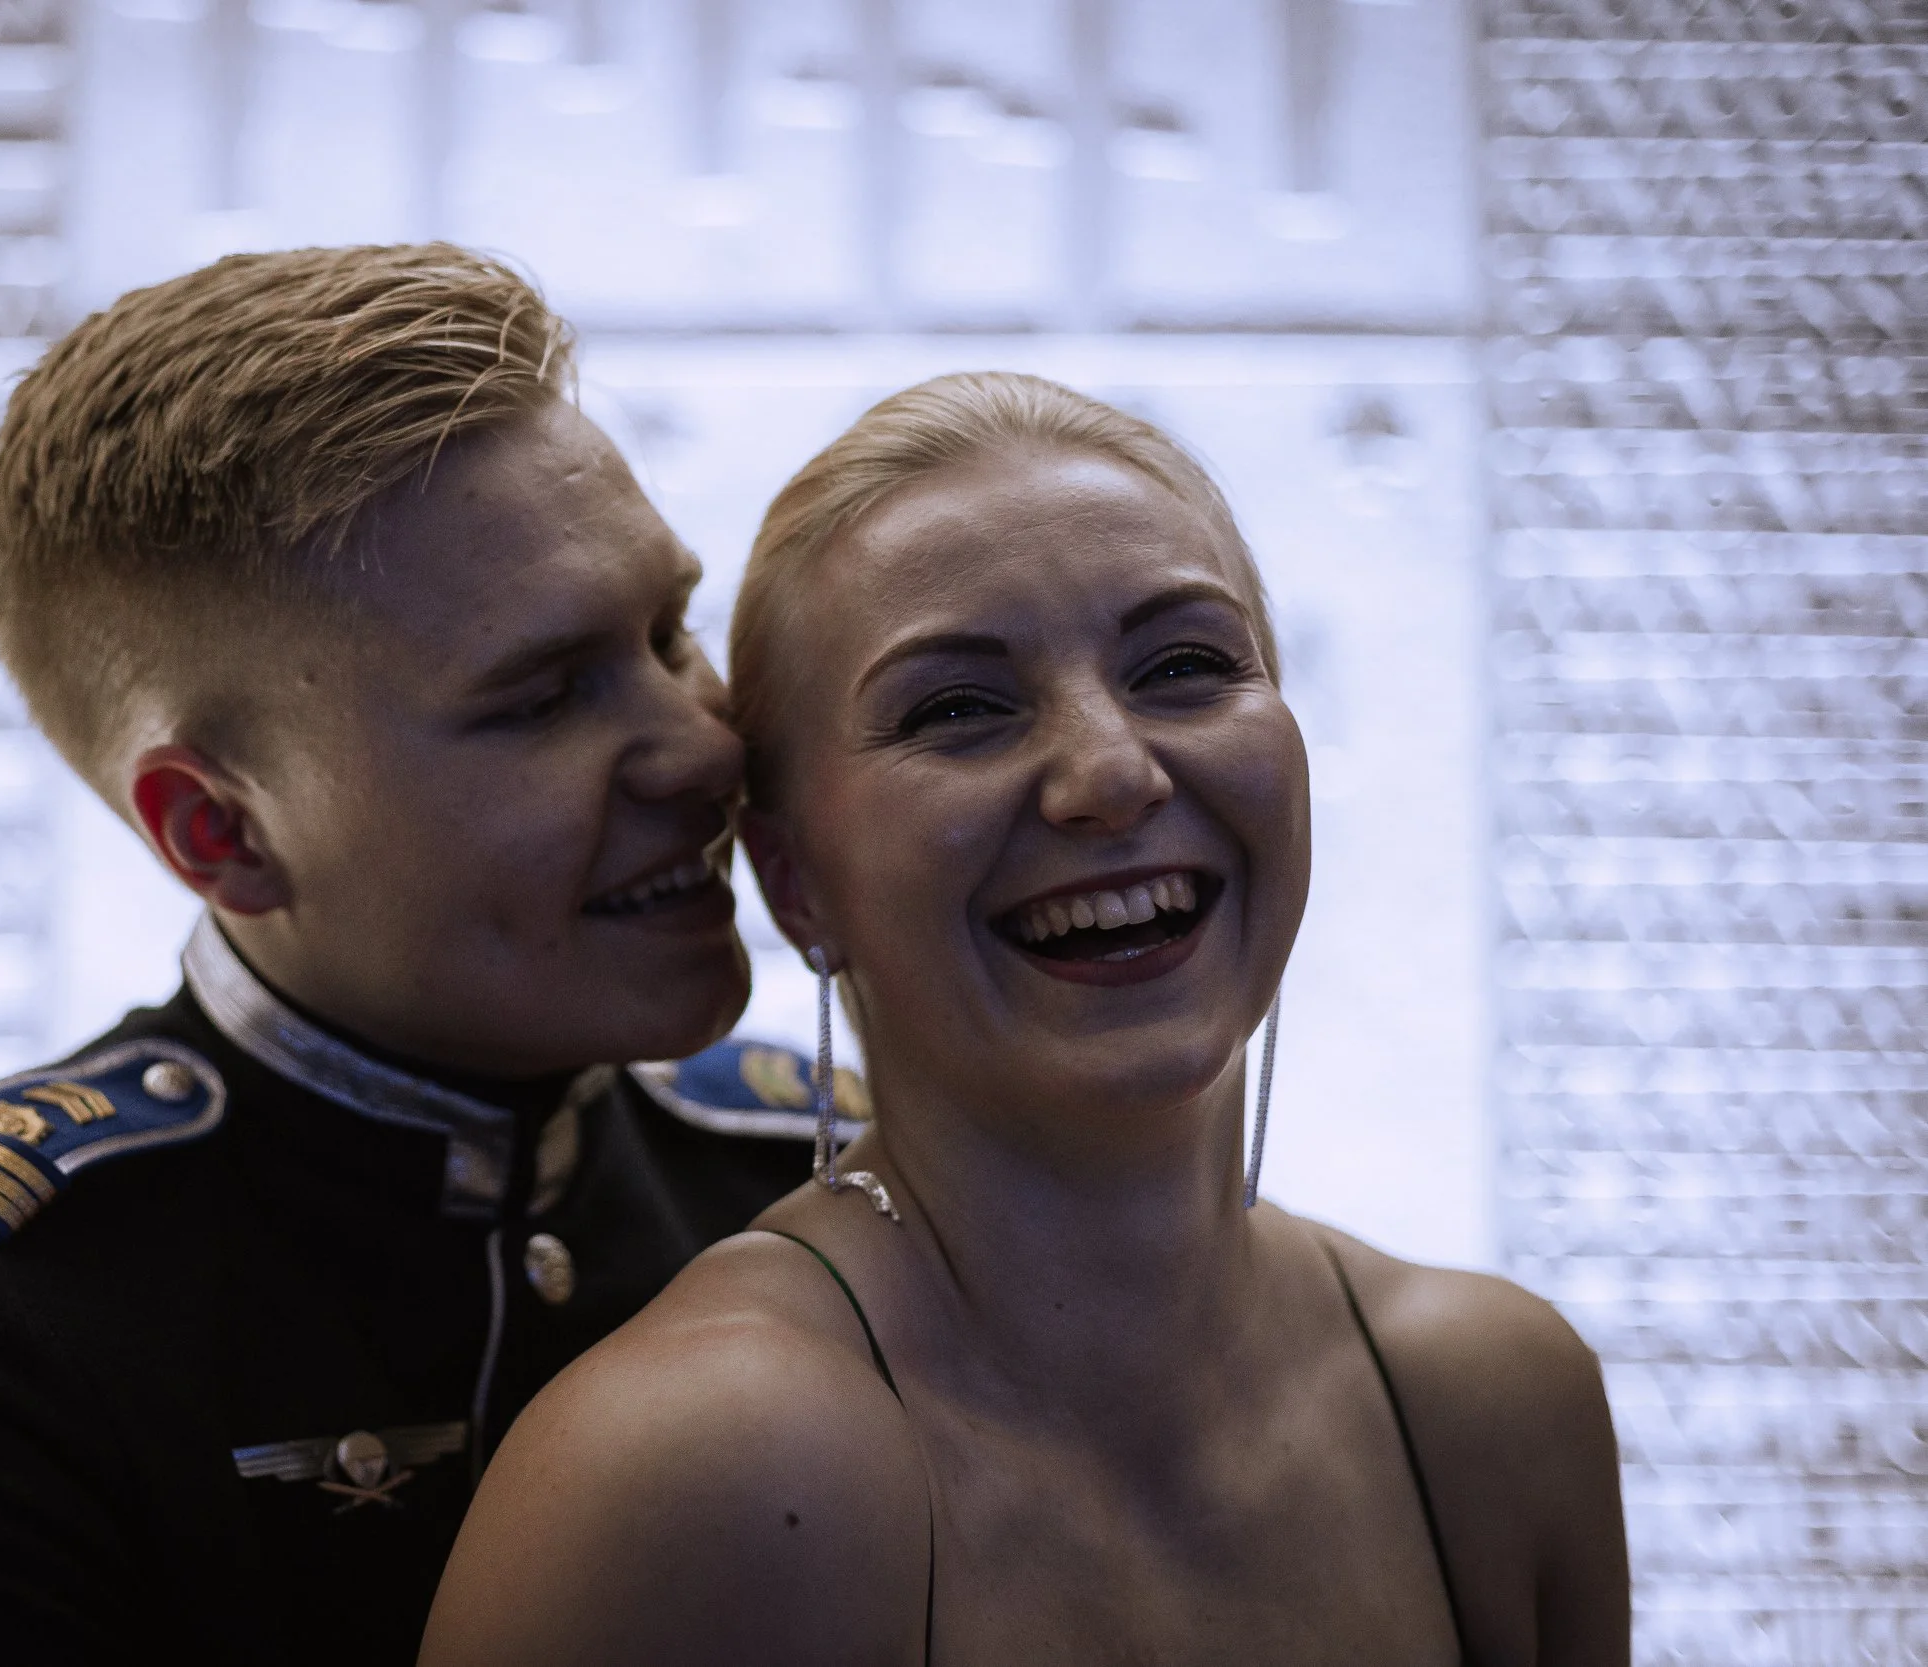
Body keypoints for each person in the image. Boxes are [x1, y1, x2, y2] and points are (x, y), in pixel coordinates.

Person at [0, 246, 837, 1664]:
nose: (709, 744)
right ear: (219, 831)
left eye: (668, 630)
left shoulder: (831, 1175)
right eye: (543, 700)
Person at [421, 372, 1632, 1666]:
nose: (1112, 772)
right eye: (957, 708)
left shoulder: (1494, 1398)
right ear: (792, 878)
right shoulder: (700, 1462)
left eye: (1184, 665)